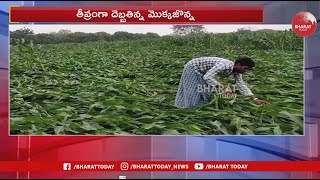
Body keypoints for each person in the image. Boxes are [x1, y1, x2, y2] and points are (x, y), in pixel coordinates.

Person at [174, 56, 270, 108]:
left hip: (203, 72)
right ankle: (187, 108)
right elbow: (208, 76)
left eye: (248, 70)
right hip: (193, 67)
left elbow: (242, 85)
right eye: (245, 68)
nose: (245, 71)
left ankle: (198, 106)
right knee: (192, 90)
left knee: (204, 91)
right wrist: (224, 88)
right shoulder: (224, 65)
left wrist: (255, 99)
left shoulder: (237, 71)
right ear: (239, 64)